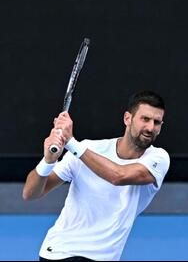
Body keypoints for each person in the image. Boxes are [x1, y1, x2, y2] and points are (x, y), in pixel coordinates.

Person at [22, 90, 170, 261]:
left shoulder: (158, 159)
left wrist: (71, 144)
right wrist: (47, 161)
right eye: (145, 119)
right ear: (127, 119)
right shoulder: (86, 149)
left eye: (157, 122)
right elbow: (30, 193)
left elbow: (118, 176)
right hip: (59, 252)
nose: (151, 128)